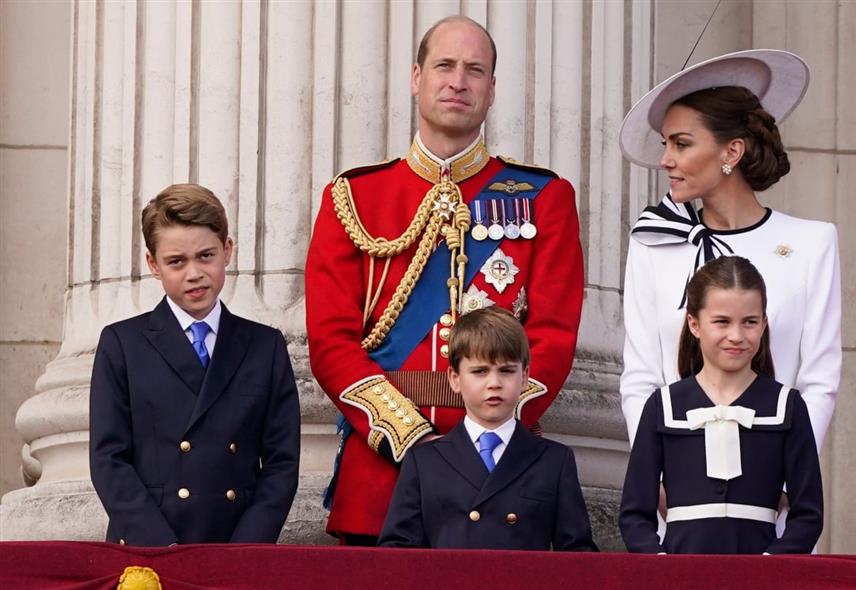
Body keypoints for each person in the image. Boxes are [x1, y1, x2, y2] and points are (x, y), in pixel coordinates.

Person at [305, 16, 584, 543]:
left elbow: (552, 336)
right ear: (416, 77)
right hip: (382, 475)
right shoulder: (354, 197)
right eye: (445, 66)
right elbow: (330, 342)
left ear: (492, 89)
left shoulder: (545, 198)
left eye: (475, 70)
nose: (459, 81)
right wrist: (408, 437)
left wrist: (486, 435)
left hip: (501, 476)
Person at [619, 50, 841, 457]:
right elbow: (639, 379)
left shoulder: (813, 243)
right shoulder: (653, 243)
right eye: (665, 143)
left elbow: (819, 382)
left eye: (681, 144)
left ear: (731, 152)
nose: (666, 159)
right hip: (678, 486)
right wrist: (655, 475)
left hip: (773, 484)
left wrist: (790, 477)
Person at [89, 184, 301, 546]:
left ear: (227, 250)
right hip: (150, 546)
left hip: (236, 546)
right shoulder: (122, 344)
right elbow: (109, 458)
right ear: (154, 264)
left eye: (206, 256)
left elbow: (282, 463)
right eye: (176, 261)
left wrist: (246, 549)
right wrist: (159, 546)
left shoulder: (264, 346)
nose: (194, 273)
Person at [619, 256, 823, 554]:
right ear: (694, 324)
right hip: (680, 576)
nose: (737, 336)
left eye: (750, 322)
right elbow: (635, 513)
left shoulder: (787, 405)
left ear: (764, 323)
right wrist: (659, 563)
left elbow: (808, 514)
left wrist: (772, 565)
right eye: (722, 322)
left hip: (761, 577)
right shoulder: (663, 405)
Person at [377, 307, 598, 550]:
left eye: (506, 371)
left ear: (525, 377)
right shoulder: (424, 461)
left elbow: (578, 556)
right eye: (480, 372)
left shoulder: (554, 461)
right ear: (455, 379)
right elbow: (397, 554)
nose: (494, 383)